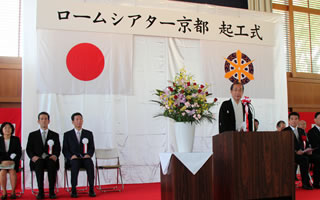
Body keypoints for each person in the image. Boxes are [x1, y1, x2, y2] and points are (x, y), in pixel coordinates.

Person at [26, 112, 61, 199]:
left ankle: (52, 191)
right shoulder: (32, 135)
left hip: (50, 159)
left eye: (46, 119)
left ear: (49, 121)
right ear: (38, 121)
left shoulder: (55, 135)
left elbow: (58, 149)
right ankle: (40, 192)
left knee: (51, 165)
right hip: (37, 160)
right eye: (42, 119)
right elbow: (29, 149)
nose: (44, 121)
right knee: (39, 165)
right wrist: (33, 157)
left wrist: (55, 156)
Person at [62, 113, 96, 198]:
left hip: (85, 158)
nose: (79, 121)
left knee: (90, 163)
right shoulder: (67, 134)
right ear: (73, 122)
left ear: (83, 121)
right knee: (75, 164)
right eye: (76, 119)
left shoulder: (89, 133)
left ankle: (91, 188)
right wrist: (70, 156)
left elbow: (92, 147)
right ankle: (73, 189)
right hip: (73, 159)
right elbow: (65, 149)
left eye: (80, 119)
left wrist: (89, 154)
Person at [282, 112, 315, 190]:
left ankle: (313, 181)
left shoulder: (301, 130)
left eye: (296, 119)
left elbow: (305, 142)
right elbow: (284, 145)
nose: (294, 121)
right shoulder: (285, 131)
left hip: (302, 153)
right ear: (289, 120)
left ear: (298, 120)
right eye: (292, 119)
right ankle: (305, 183)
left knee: (311, 157)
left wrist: (307, 149)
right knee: (304, 160)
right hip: (290, 154)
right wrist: (295, 151)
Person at [0, 122, 22, 200]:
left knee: (12, 172)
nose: (7, 129)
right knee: (2, 172)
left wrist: (13, 161)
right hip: (1, 163)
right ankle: (4, 192)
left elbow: (18, 153)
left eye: (9, 128)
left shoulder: (16, 139)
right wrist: (2, 161)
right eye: (5, 128)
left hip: (13, 163)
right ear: (2, 129)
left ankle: (13, 192)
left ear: (12, 129)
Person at [307, 112, 320, 189]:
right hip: (315, 153)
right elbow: (314, 145)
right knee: (318, 159)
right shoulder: (311, 131)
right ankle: (316, 182)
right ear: (315, 120)